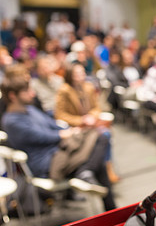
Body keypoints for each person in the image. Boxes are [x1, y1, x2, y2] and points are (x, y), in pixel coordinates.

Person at [1, 76, 116, 211]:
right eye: (26, 91)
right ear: (13, 96)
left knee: (99, 135)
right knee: (100, 140)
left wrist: (69, 130)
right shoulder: (11, 121)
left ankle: (86, 173)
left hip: (60, 150)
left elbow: (52, 124)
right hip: (47, 164)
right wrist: (61, 135)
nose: (32, 93)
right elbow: (39, 137)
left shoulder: (30, 110)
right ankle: (88, 176)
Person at [54, 63, 120, 183]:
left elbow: (96, 107)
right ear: (70, 75)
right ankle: (93, 170)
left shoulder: (88, 87)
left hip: (91, 123)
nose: (81, 76)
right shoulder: (64, 90)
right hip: (76, 127)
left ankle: (107, 168)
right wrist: (81, 120)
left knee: (106, 134)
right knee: (103, 136)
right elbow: (60, 114)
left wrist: (91, 117)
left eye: (82, 72)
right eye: (77, 73)